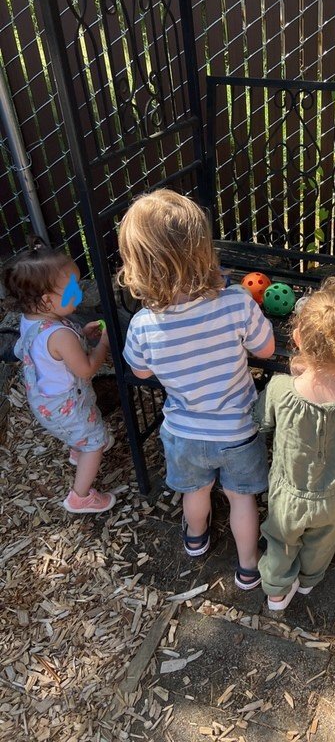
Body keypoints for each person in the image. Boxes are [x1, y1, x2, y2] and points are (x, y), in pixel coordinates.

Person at [118, 189, 275, 589]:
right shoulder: (236, 302)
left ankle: (195, 538)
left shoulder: (143, 325)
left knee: (197, 491)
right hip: (237, 429)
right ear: (203, 250)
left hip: (184, 431)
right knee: (241, 499)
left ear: (138, 263)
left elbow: (139, 371)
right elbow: (267, 350)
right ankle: (248, 566)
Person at [254, 277, 335, 611]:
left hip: (288, 494)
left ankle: (277, 591)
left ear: (296, 338)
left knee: (280, 541)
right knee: (323, 542)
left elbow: (261, 422)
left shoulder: (281, 388)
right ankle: (309, 580)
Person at [2, 238, 115, 513]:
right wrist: (103, 344)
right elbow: (86, 369)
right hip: (67, 405)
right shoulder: (60, 335)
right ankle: (80, 496)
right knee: (96, 442)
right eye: (73, 289)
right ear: (46, 301)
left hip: (46, 401)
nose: (79, 293)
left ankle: (78, 445)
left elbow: (41, 352)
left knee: (82, 429)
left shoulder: (32, 320)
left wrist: (82, 336)